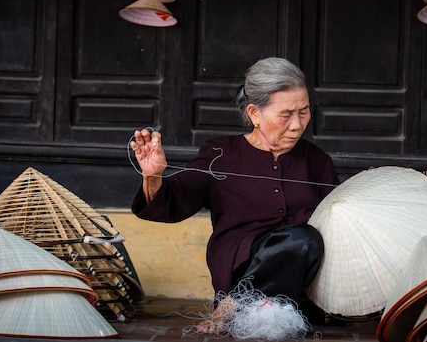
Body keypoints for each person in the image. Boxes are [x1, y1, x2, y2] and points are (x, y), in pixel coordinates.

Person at [130, 57, 340, 335]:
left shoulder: (317, 160)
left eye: (304, 111)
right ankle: (233, 303)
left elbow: (338, 223)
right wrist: (153, 176)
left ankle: (240, 303)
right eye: (286, 114)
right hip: (240, 269)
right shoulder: (221, 155)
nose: (297, 124)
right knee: (301, 238)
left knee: (307, 240)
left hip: (302, 281)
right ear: (254, 113)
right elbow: (175, 200)